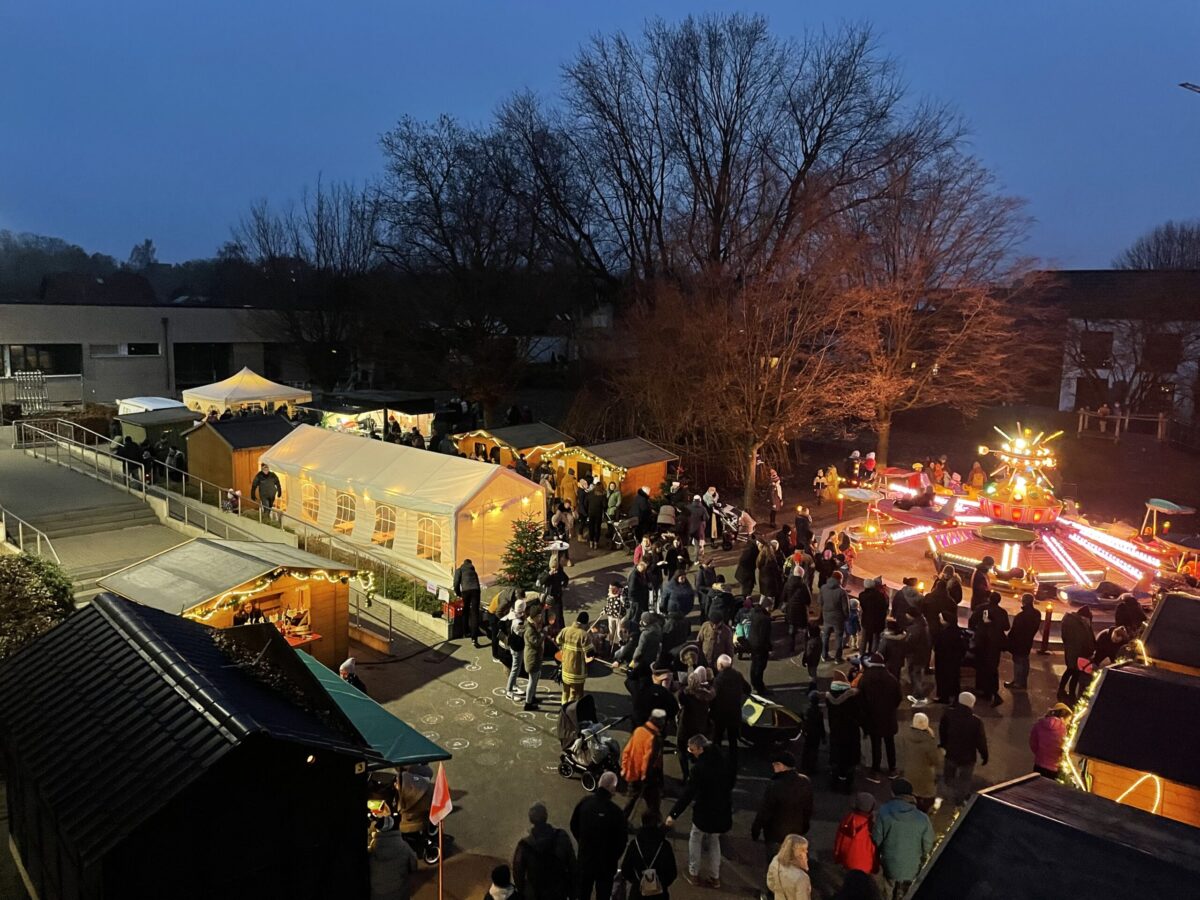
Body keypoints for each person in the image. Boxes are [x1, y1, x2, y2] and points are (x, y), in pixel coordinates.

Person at [666, 735, 732, 889]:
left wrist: (674, 814)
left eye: (693, 750)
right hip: (721, 810)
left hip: (705, 812)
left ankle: (694, 873)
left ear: (701, 749)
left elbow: (688, 794)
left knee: (696, 838)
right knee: (715, 841)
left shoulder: (699, 768)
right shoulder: (722, 761)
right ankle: (715, 877)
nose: (691, 752)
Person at [751, 749, 813, 875]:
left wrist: (756, 829)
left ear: (781, 765)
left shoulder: (775, 785)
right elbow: (808, 808)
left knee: (775, 867)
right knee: (791, 868)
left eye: (775, 764)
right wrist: (804, 826)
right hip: (796, 833)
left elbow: (765, 811)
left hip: (776, 834)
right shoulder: (805, 782)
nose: (773, 767)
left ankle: (772, 893)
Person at [871, 778, 934, 900]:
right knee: (905, 892)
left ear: (893, 793)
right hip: (912, 865)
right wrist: (923, 856)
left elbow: (876, 838)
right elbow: (927, 843)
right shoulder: (922, 818)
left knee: (888, 890)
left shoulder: (884, 811)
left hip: (890, 862)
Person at [570, 771, 626, 900]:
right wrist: (613, 857)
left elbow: (574, 825)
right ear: (612, 788)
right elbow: (622, 841)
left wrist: (582, 842)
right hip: (606, 865)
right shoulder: (616, 812)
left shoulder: (585, 803)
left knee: (583, 893)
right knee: (603, 895)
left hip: (585, 860)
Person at [512, 802, 576, 900]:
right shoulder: (561, 837)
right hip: (558, 891)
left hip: (535, 893)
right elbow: (572, 865)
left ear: (531, 819)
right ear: (546, 816)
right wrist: (572, 891)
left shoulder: (524, 845)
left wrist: (524, 892)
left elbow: (518, 873)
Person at [939, 692, 988, 806]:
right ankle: (959, 800)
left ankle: (948, 798)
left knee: (949, 776)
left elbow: (942, 731)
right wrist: (984, 755)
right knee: (964, 780)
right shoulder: (976, 721)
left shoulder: (948, 714)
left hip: (951, 752)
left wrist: (943, 744)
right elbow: (980, 741)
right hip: (968, 757)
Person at [859, 653, 902, 782]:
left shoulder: (865, 679)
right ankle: (892, 769)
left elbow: (860, 700)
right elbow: (898, 698)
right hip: (889, 717)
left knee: (875, 744)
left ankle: (875, 770)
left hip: (873, 718)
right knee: (890, 743)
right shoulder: (892, 679)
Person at [619, 810, 677, 900]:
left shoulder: (635, 844)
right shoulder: (665, 845)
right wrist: (660, 884)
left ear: (642, 823)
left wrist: (637, 881)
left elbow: (626, 870)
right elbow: (672, 873)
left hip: (637, 892)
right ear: (658, 824)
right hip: (660, 894)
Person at [621, 710, 667, 821]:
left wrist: (624, 767)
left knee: (631, 799)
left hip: (633, 771)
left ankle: (622, 820)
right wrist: (645, 776)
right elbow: (648, 759)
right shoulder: (654, 738)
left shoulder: (639, 730)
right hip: (646, 776)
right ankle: (654, 823)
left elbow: (627, 750)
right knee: (653, 800)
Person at [711, 654, 750, 771]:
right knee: (733, 740)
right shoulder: (738, 675)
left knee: (717, 738)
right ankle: (733, 762)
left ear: (721, 666)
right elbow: (748, 689)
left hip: (721, 715)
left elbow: (713, 698)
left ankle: (716, 761)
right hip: (735, 713)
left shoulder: (718, 680)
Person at [676, 667, 715, 780]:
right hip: (700, 727)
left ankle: (686, 775)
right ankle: (698, 773)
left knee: (681, 750)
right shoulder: (708, 695)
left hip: (685, 727)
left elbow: (679, 695)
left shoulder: (687, 695)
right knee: (698, 751)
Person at [825, 675, 862, 793]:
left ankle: (834, 784)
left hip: (836, 732)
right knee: (850, 761)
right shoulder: (852, 700)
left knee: (837, 758)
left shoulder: (829, 700)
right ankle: (847, 786)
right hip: (851, 733)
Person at [369, 815, 418, 900]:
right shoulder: (404, 847)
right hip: (399, 893)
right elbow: (414, 865)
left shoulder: (372, 849)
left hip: (376, 894)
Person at [903, 712, 942, 813]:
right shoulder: (928, 740)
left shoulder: (906, 735)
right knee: (927, 797)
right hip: (925, 774)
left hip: (910, 771)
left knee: (913, 792)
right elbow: (935, 760)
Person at [833, 793, 877, 876]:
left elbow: (839, 840)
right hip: (866, 865)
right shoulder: (872, 825)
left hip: (848, 860)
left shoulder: (848, 820)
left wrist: (837, 857)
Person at [1005, 593, 1042, 690]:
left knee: (1018, 662)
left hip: (1019, 642)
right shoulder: (1037, 614)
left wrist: (1008, 641)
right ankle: (1023, 682)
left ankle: (1017, 682)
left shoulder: (1021, 616)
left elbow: (1014, 631)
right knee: (1025, 661)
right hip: (1028, 641)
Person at [1058, 605, 1095, 703]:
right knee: (1073, 672)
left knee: (1073, 672)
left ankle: (1066, 691)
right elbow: (1081, 640)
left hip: (1076, 653)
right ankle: (1068, 692)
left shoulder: (1078, 623)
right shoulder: (1076, 624)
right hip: (1076, 653)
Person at [557, 612, 591, 705]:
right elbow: (590, 651)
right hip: (577, 670)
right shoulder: (584, 635)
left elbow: (558, 640)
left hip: (565, 667)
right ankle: (570, 713)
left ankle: (563, 708)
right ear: (585, 623)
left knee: (565, 692)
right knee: (574, 694)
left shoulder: (565, 630)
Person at [1029, 703, 1072, 778]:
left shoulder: (1039, 724)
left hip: (1039, 764)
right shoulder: (1063, 729)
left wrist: (1039, 754)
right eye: (1068, 720)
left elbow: (1033, 743)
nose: (1068, 723)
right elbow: (1063, 747)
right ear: (1062, 717)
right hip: (1055, 767)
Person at [933, 610, 965, 704]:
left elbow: (940, 646)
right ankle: (954, 697)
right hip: (954, 661)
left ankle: (944, 697)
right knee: (954, 679)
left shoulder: (945, 633)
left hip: (944, 661)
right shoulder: (957, 631)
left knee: (944, 679)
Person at [766, 834, 812, 900]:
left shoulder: (775, 862)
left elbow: (770, 884)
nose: (806, 852)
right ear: (797, 853)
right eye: (803, 850)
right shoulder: (801, 877)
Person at [820, 572, 850, 662]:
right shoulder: (842, 592)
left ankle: (824, 655)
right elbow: (845, 608)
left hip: (826, 616)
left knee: (825, 636)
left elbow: (820, 601)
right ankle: (838, 657)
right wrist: (846, 617)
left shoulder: (823, 588)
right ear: (840, 579)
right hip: (838, 618)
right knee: (839, 637)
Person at [453, 558, 483, 647]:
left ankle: (465, 632)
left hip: (465, 591)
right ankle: (474, 639)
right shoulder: (473, 571)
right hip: (476, 591)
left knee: (465, 611)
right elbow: (477, 583)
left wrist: (458, 593)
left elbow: (456, 583)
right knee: (475, 614)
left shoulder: (459, 570)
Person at [904, 611, 931, 706]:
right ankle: (917, 691)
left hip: (915, 655)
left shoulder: (915, 628)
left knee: (915, 674)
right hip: (922, 654)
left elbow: (910, 642)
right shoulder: (924, 625)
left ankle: (919, 694)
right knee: (918, 673)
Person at [782, 567, 812, 654]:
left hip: (791, 608)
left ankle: (791, 647)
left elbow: (783, 596)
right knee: (805, 628)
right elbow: (808, 599)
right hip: (802, 610)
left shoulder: (788, 584)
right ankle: (806, 647)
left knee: (792, 627)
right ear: (802, 574)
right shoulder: (803, 585)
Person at [505, 597, 530, 700]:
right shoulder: (518, 622)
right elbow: (524, 632)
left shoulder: (512, 615)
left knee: (516, 668)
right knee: (515, 669)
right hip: (517, 647)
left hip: (512, 645)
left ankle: (514, 686)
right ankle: (509, 691)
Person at [523, 603, 546, 711]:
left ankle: (532, 697)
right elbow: (535, 642)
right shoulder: (529, 629)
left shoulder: (533, 625)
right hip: (532, 658)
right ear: (534, 616)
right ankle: (528, 703)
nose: (540, 618)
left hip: (536, 657)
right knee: (532, 681)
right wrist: (543, 634)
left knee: (536, 679)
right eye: (539, 616)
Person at [747, 597, 774, 695]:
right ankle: (759, 687)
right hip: (760, 646)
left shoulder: (755, 612)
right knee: (760, 666)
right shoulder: (765, 620)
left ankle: (754, 683)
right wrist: (769, 648)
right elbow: (765, 636)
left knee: (754, 665)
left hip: (752, 642)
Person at [858, 579, 889, 655]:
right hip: (878, 620)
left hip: (866, 620)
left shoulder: (862, 595)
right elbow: (885, 607)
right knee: (876, 639)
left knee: (864, 639)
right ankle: (873, 655)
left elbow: (863, 607)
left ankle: (861, 654)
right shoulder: (880, 595)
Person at [800, 690, 825, 774]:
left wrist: (803, 731)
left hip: (808, 733)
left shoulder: (807, 710)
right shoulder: (819, 712)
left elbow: (804, 722)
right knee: (814, 750)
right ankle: (812, 767)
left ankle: (804, 765)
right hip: (816, 733)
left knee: (807, 749)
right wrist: (823, 737)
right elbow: (821, 725)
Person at [541, 558, 570, 626]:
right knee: (546, 612)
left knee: (559, 613)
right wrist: (549, 574)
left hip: (557, 595)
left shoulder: (559, 572)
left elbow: (566, 578)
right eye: (553, 567)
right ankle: (546, 626)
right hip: (548, 596)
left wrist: (563, 586)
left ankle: (560, 627)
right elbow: (542, 581)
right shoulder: (546, 571)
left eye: (555, 567)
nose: (554, 569)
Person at [758, 540, 784, 607]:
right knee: (770, 597)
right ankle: (768, 609)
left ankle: (760, 606)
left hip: (762, 579)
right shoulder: (771, 560)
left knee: (763, 595)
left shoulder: (760, 557)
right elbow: (776, 571)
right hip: (770, 581)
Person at [585, 482, 606, 550]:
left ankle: (591, 542)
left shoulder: (590, 494)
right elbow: (605, 505)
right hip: (598, 514)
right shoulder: (602, 495)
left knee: (591, 527)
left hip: (591, 513)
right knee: (597, 528)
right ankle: (596, 543)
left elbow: (586, 503)